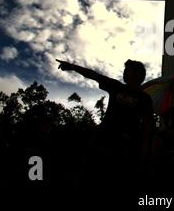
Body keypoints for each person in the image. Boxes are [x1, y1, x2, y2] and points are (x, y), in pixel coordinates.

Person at [56, 59, 153, 187]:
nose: (124, 73)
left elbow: (147, 125)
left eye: (127, 70)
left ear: (136, 74)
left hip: (124, 145)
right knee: (88, 173)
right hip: (102, 138)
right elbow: (94, 75)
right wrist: (73, 67)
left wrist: (144, 148)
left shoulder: (144, 99)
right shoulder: (116, 86)